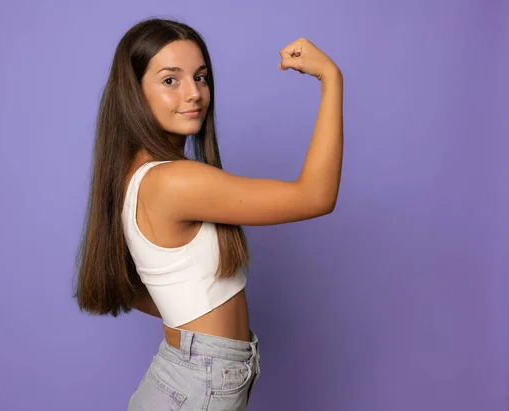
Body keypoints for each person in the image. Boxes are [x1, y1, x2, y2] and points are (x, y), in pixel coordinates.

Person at [74, 17, 343, 411]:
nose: (194, 94)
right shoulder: (171, 182)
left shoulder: (137, 176)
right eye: (171, 80)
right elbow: (315, 196)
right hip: (196, 384)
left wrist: (193, 324)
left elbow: (129, 283)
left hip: (194, 378)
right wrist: (331, 79)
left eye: (200, 77)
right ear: (133, 93)